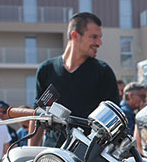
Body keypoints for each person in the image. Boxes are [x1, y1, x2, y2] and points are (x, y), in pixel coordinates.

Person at [32, 12, 117, 147]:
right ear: (75, 36)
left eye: (100, 38)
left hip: (87, 159)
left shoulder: (103, 72)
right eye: (94, 37)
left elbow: (113, 123)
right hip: (51, 157)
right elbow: (37, 114)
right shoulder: (46, 70)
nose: (99, 43)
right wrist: (30, 155)